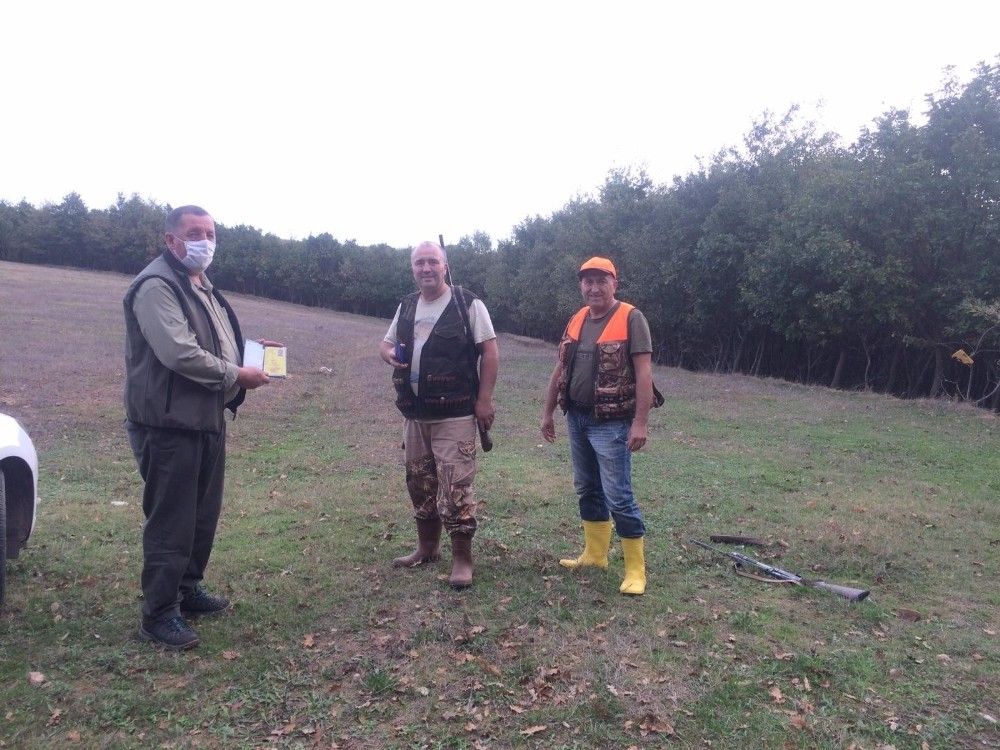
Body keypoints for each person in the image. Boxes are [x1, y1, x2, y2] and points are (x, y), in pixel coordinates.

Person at [123, 205, 276, 650]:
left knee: (202, 515)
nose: (204, 241)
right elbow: (179, 352)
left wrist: (249, 354)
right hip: (169, 422)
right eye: (194, 233)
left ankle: (186, 590)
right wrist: (236, 375)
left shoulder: (200, 284)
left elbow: (215, 342)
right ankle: (158, 614)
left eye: (210, 233)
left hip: (204, 417)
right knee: (172, 519)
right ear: (170, 239)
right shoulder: (156, 285)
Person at [540, 256, 662, 595]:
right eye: (587, 281)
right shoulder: (577, 318)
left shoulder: (632, 318)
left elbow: (644, 374)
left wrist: (640, 422)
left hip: (612, 423)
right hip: (576, 418)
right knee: (587, 487)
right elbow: (560, 368)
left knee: (618, 495)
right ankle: (595, 556)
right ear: (581, 285)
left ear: (614, 284)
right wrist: (548, 412)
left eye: (601, 281)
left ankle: (635, 571)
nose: (593, 288)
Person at [380, 240, 499, 589]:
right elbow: (385, 344)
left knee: (455, 487)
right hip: (415, 414)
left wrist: (484, 400)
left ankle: (462, 559)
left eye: (432, 261)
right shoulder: (406, 305)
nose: (426, 268)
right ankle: (427, 548)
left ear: (444, 266)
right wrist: (389, 355)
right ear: (412, 268)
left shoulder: (467, 303)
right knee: (420, 483)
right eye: (420, 262)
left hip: (455, 414)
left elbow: (490, 353)